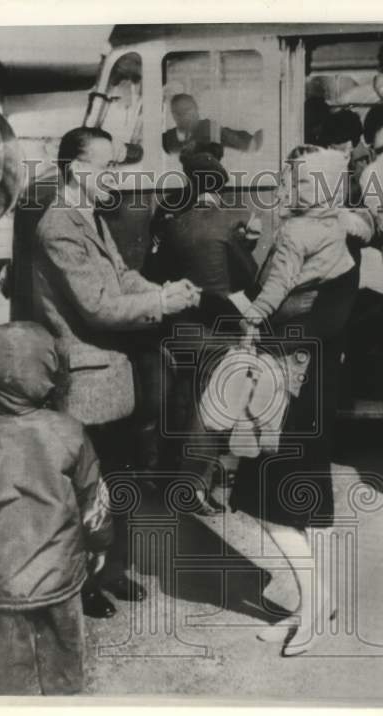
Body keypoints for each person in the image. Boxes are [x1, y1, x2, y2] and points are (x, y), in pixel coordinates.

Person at [30, 126, 200, 618]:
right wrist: (161, 302)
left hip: (110, 377)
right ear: (77, 170)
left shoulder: (87, 216)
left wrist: (160, 290)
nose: (115, 178)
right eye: (106, 169)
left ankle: (111, 570)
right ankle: (80, 583)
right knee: (85, 491)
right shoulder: (59, 226)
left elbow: (120, 276)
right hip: (87, 381)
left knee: (116, 482)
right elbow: (97, 306)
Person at [231, 145, 372, 656]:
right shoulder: (331, 230)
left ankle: (312, 611)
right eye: (296, 179)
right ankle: (317, 602)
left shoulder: (307, 237)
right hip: (304, 384)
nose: (297, 188)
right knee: (286, 500)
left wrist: (251, 320)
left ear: (328, 186)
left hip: (292, 387)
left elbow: (290, 302)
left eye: (308, 181)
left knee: (277, 500)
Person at [0, 322, 113, 695]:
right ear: (48, 372)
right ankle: (62, 709)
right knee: (65, 648)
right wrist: (100, 543)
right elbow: (93, 499)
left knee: (10, 659)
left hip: (4, 580)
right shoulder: (69, 432)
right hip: (61, 572)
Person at [151, 146, 260, 513]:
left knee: (184, 403)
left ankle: (175, 477)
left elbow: (155, 272)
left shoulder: (173, 222)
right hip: (219, 329)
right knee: (212, 406)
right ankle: (193, 485)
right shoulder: (231, 221)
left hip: (179, 327)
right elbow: (248, 277)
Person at [162, 94, 261, 156]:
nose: (186, 116)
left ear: (197, 110)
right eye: (180, 112)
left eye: (189, 110)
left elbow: (242, 144)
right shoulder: (167, 138)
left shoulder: (208, 128)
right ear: (174, 115)